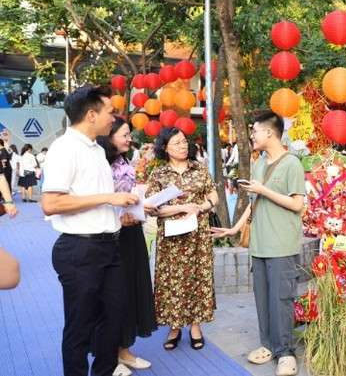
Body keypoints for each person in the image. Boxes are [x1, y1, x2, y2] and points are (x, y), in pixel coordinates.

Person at [41, 87, 140, 376]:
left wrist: (120, 215)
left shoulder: (97, 148)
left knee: (114, 317)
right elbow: (51, 203)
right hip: (79, 250)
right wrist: (109, 199)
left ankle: (104, 371)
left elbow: (92, 198)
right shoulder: (65, 148)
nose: (114, 117)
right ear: (91, 114)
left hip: (109, 246)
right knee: (80, 325)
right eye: (110, 111)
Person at [210, 111, 305, 376]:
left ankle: (286, 352)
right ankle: (268, 345)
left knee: (281, 300)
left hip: (282, 245)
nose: (251, 135)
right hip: (260, 246)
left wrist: (264, 190)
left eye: (254, 131)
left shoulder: (292, 164)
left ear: (270, 133)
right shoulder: (260, 162)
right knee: (263, 299)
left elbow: (297, 204)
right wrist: (235, 229)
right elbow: (254, 204)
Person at [146, 127, 218, 352]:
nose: (183, 145)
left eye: (185, 141)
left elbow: (212, 194)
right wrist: (182, 207)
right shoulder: (158, 175)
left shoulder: (199, 169)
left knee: (198, 278)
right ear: (165, 148)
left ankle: (195, 327)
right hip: (171, 240)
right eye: (177, 143)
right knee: (172, 282)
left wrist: (200, 208)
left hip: (197, 237)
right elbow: (152, 208)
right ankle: (174, 327)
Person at [96, 116, 157, 373]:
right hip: (110, 234)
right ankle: (108, 356)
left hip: (132, 231)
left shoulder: (125, 160)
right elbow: (97, 201)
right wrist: (121, 215)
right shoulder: (97, 163)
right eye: (124, 134)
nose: (129, 138)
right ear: (109, 136)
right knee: (112, 296)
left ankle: (124, 350)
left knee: (132, 289)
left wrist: (142, 205)